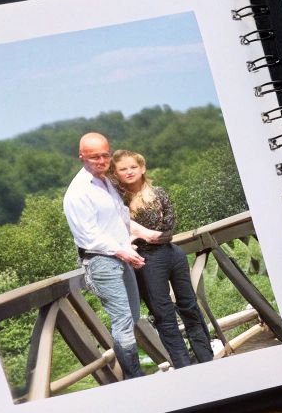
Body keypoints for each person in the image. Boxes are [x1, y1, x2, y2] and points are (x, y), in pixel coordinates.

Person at [61, 131, 159, 380]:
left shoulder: (107, 182)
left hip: (122, 255)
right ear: (81, 157)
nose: (102, 161)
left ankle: (133, 375)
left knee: (133, 316)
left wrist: (141, 235)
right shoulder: (78, 192)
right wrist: (122, 250)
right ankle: (134, 378)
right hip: (101, 260)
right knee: (123, 320)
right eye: (94, 157)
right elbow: (88, 236)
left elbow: (118, 219)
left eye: (105, 155)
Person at [110, 149, 216, 368]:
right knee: (164, 316)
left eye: (133, 167)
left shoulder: (158, 192)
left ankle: (207, 359)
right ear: (116, 173)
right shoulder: (117, 201)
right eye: (123, 169)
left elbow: (168, 229)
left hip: (173, 253)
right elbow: (120, 231)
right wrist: (148, 234)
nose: (129, 172)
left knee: (190, 307)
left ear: (142, 168)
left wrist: (142, 233)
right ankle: (184, 366)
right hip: (146, 261)